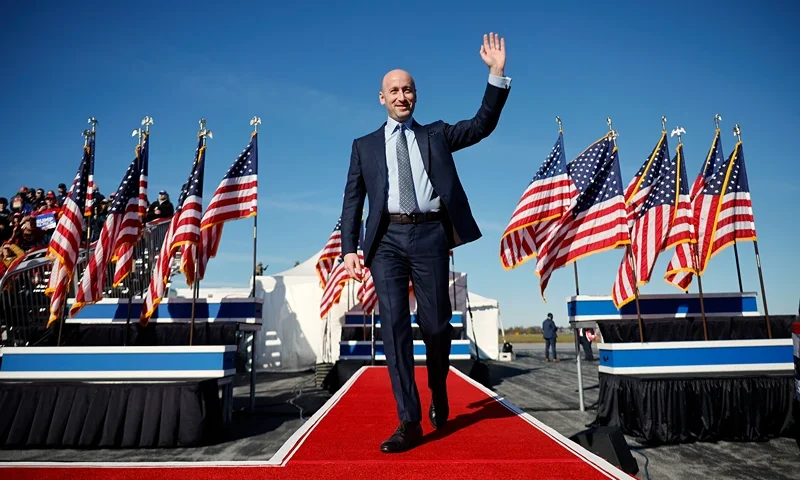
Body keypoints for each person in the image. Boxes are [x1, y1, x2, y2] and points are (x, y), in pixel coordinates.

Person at [339, 33, 511, 453]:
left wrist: (496, 74)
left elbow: (480, 125)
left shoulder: (435, 135)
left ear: (416, 95)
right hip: (385, 242)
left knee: (436, 325)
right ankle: (408, 420)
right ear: (381, 98)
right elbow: (352, 200)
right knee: (395, 326)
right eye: (394, 90)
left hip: (431, 234)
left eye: (408, 89)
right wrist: (349, 248)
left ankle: (438, 385)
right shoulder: (364, 146)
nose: (402, 95)